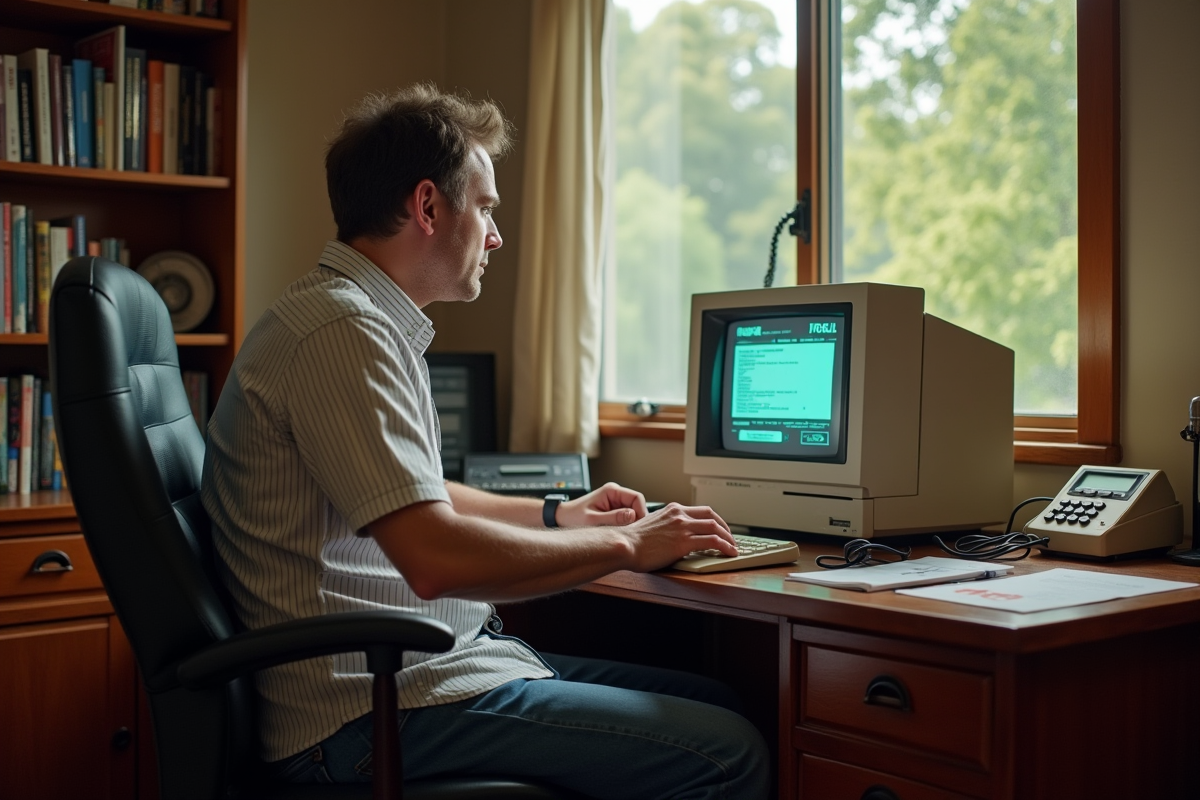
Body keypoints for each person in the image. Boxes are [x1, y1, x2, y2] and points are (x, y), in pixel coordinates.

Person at [201, 83, 770, 800]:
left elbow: (418, 493)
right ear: (428, 206)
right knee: (729, 754)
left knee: (719, 701)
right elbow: (434, 558)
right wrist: (628, 544)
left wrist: (559, 515)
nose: (496, 236)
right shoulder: (342, 332)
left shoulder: (354, 318)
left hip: (425, 673)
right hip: (367, 712)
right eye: (487, 207)